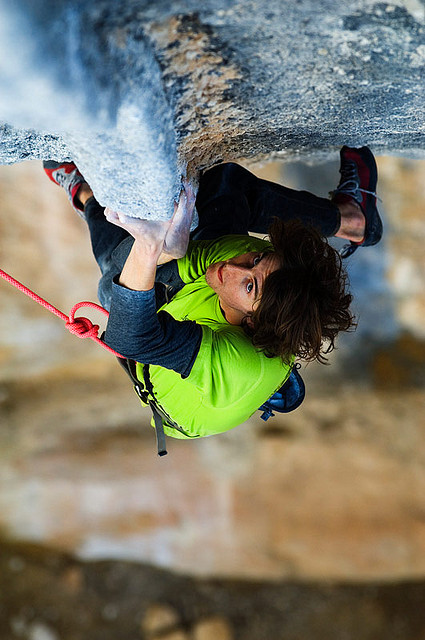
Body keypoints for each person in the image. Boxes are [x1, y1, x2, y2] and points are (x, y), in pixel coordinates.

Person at [43, 146, 382, 449]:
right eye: (256, 261)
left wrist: (150, 248)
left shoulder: (238, 365)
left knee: (115, 286)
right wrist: (168, 248)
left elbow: (128, 337)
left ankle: (84, 192)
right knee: (223, 189)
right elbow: (213, 260)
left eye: (249, 286)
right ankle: (352, 219)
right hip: (206, 313)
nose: (232, 268)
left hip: (173, 384)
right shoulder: (254, 262)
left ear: (251, 320)